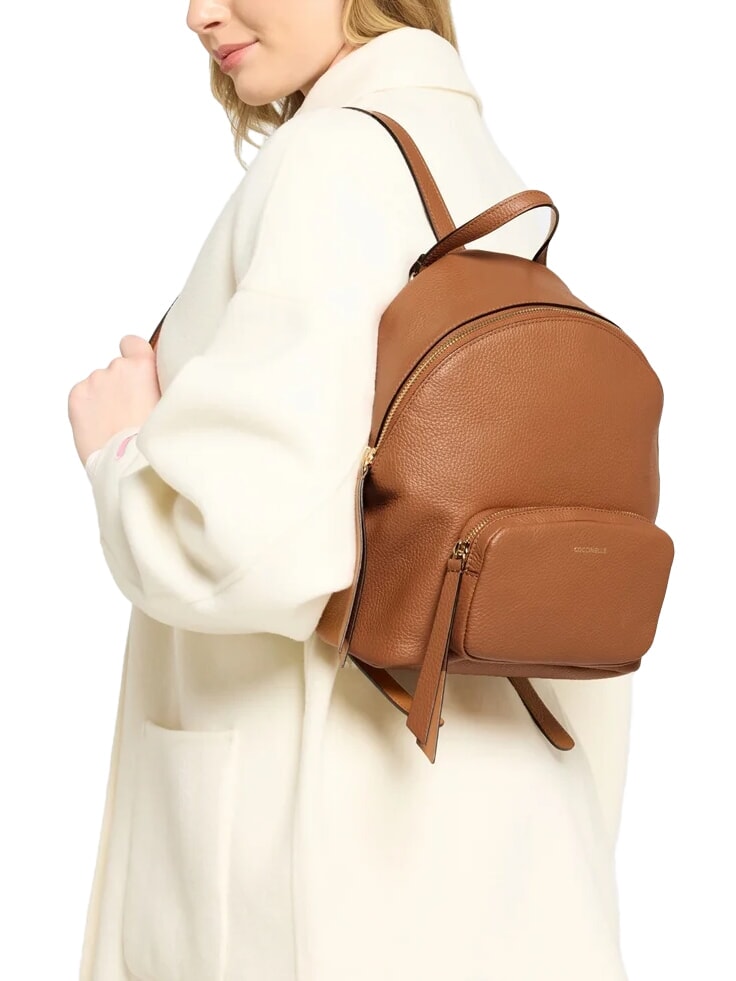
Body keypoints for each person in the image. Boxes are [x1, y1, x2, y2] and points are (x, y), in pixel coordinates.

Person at [68, 2, 632, 979]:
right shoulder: (474, 164)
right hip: (511, 870)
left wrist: (122, 449)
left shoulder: (331, 158)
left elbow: (249, 547)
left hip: (316, 884)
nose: (198, 14)